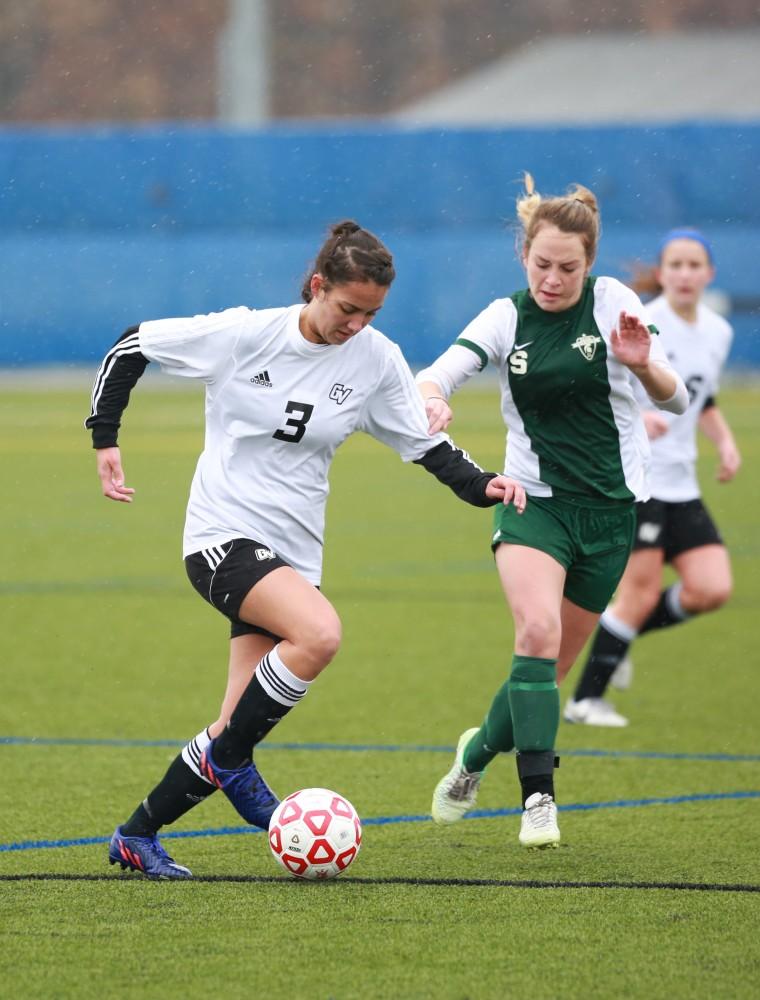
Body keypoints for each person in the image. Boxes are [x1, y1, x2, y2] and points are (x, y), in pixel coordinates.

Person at [85, 220, 526, 879]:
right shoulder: (245, 334)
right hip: (222, 539)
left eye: (370, 313)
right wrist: (105, 437)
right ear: (317, 286)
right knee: (319, 635)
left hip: (293, 557)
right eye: (348, 308)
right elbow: (131, 347)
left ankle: (137, 834)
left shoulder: (376, 358)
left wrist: (480, 483)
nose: (357, 325)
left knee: (233, 721)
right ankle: (231, 763)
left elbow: (421, 441)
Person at [417, 175, 689, 849]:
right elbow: (439, 370)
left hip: (609, 517)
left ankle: (473, 757)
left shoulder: (615, 304)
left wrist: (642, 363)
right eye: (541, 264)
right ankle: (539, 799)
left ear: (588, 263)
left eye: (568, 268)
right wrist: (431, 398)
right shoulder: (505, 317)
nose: (552, 279)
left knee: (542, 675)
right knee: (535, 634)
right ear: (525, 256)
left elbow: (675, 397)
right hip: (532, 503)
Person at [565, 228, 740, 727]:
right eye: (675, 265)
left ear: (709, 273)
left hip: (683, 481)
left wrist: (724, 441)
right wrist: (639, 420)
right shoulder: (640, 322)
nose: (685, 274)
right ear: (661, 274)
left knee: (710, 589)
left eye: (694, 265)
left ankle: (619, 631)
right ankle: (584, 701)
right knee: (638, 594)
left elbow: (703, 397)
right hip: (638, 478)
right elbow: (599, 390)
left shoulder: (719, 332)